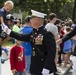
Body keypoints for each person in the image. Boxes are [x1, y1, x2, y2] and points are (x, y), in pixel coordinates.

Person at [2, 10, 57, 75]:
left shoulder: (46, 34)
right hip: (35, 66)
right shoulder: (34, 32)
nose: (30, 21)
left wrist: (46, 68)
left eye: (32, 19)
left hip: (44, 67)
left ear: (36, 20)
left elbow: (51, 52)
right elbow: (21, 37)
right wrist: (8, 31)